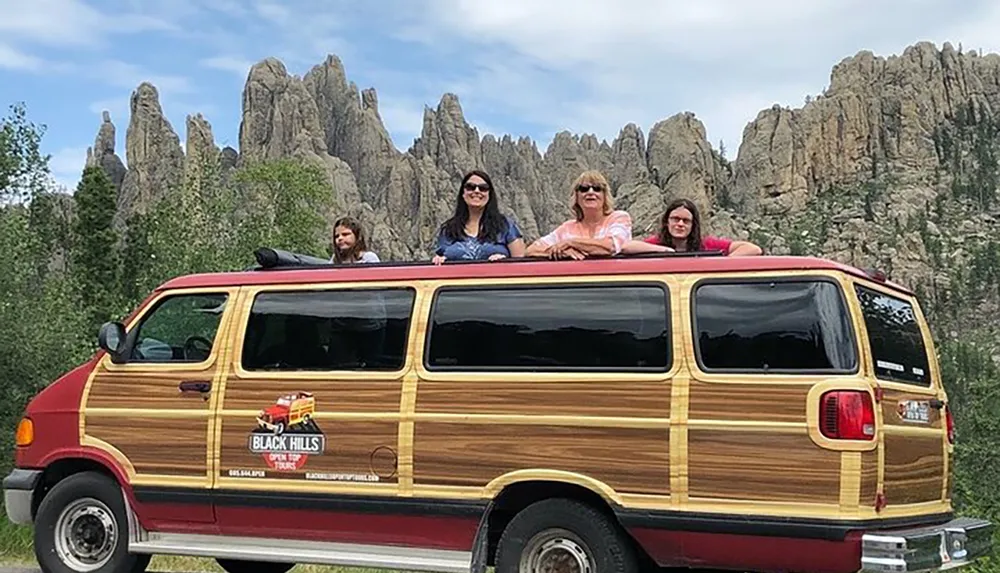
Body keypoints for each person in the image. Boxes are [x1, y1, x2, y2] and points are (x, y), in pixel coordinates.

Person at [525, 170, 632, 260]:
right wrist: (559, 253)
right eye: (584, 189)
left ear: (605, 196)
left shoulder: (619, 218)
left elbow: (611, 246)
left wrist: (570, 243)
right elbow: (531, 250)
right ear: (576, 196)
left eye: (597, 188)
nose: (590, 192)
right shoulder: (567, 228)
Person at [432, 170, 525, 264]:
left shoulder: (506, 226)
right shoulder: (448, 229)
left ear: (489, 195)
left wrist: (505, 261)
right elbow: (440, 258)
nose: (476, 191)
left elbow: (521, 263)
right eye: (470, 187)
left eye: (483, 188)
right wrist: (438, 260)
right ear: (463, 194)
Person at [623, 198, 763, 256]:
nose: (680, 224)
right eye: (675, 219)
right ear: (667, 222)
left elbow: (753, 249)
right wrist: (664, 250)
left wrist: (721, 264)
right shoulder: (656, 243)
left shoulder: (706, 244)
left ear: (692, 225)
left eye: (686, 221)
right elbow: (626, 247)